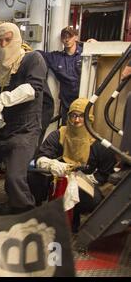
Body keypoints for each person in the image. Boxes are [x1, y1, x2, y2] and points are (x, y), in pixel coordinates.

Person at [0, 22, 47, 215]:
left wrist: (3, 99)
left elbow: (31, 89)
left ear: (17, 39)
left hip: (24, 131)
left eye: (8, 39)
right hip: (0, 130)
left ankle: (25, 214)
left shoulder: (32, 59)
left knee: (14, 179)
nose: (4, 44)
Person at [32, 98, 116, 232]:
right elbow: (41, 157)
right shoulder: (58, 135)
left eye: (81, 116)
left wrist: (86, 179)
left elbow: (106, 173)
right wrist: (51, 164)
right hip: (56, 180)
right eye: (73, 115)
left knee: (94, 200)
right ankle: (36, 212)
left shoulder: (98, 144)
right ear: (68, 116)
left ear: (90, 119)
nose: (76, 120)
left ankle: (74, 217)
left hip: (83, 186)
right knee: (32, 177)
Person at [38, 26, 87, 124]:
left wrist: (94, 44)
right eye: (64, 37)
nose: (67, 39)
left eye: (70, 36)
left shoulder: (86, 54)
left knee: (83, 131)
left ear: (76, 37)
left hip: (84, 103)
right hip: (67, 105)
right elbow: (38, 54)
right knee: (65, 130)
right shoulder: (56, 58)